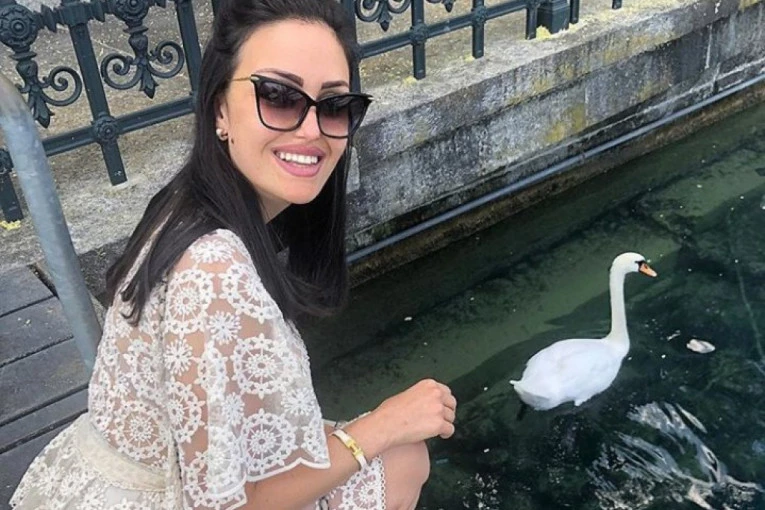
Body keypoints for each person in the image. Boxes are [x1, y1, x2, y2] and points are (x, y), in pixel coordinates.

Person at [10, 0, 457, 508]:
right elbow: (226, 504)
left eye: (334, 105)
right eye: (278, 96)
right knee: (403, 458)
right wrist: (383, 425)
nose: (312, 130)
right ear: (220, 108)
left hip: (122, 472)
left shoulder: (188, 204)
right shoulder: (213, 268)